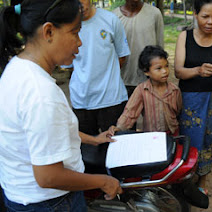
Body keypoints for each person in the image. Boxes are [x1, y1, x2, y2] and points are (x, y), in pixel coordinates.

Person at [0, 0, 122, 211]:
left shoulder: (17, 68)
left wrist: (92, 140)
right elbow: (48, 176)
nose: (80, 42)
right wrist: (103, 181)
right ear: (49, 32)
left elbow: (43, 133)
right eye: (75, 32)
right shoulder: (41, 93)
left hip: (20, 194)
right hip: (50, 202)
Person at [174, 0, 212, 193]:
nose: (210, 21)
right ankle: (183, 178)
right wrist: (198, 70)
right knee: (186, 139)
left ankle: (202, 180)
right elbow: (178, 72)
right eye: (205, 16)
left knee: (208, 140)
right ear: (195, 14)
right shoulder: (185, 37)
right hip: (188, 99)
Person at [70, 0, 130, 174]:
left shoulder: (111, 20)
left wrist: (105, 79)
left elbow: (122, 56)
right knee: (85, 152)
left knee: (116, 150)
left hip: (111, 98)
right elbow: (69, 64)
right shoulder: (67, 24)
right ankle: (94, 191)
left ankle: (119, 190)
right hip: (81, 100)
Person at [116, 45, 182, 136]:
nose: (165, 71)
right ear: (146, 71)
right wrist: (119, 128)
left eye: (166, 66)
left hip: (172, 134)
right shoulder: (142, 90)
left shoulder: (174, 90)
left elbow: (178, 111)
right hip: (151, 136)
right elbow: (130, 113)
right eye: (159, 68)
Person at [113, 0, 164, 97]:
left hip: (149, 81)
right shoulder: (113, 17)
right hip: (121, 82)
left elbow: (160, 48)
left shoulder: (154, 14)